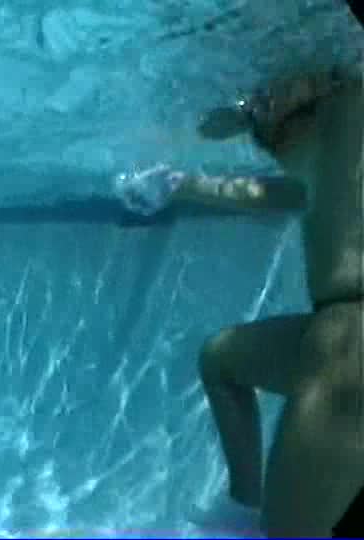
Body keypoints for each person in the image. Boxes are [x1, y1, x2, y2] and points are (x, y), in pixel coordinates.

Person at [175, 65, 363, 537]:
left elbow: (332, 73)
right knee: (221, 359)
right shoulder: (336, 158)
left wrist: (246, 110)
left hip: (348, 341)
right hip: (336, 334)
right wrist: (178, 183)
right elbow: (285, 192)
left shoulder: (345, 100)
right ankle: (244, 505)